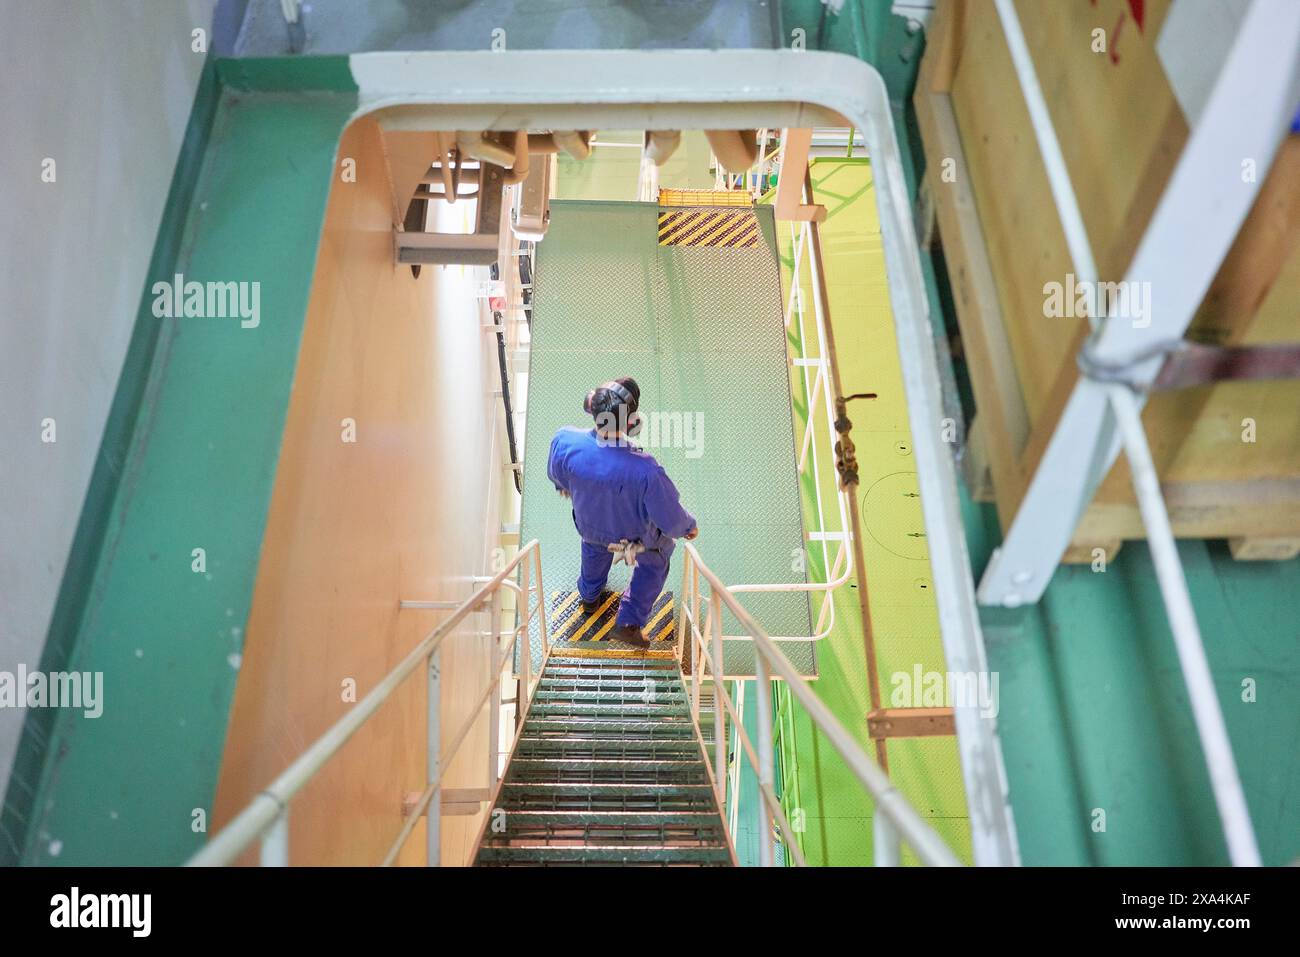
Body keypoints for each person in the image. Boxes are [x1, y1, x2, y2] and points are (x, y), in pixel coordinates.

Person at [547, 377, 698, 648]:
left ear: (591, 405)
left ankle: (589, 596)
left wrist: (565, 486)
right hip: (635, 538)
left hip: (590, 527)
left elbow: (557, 475)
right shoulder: (646, 471)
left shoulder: (564, 440)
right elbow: (670, 517)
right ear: (632, 423)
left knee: (592, 554)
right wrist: (688, 527)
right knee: (656, 560)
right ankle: (628, 623)